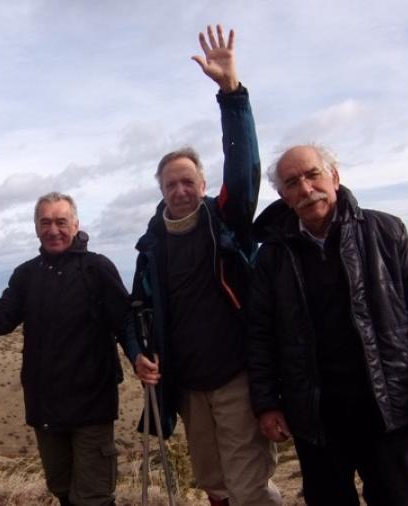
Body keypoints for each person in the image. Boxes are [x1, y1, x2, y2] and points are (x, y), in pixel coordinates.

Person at [248, 144, 408, 505]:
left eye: (312, 175)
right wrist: (267, 403)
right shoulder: (272, 256)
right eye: (292, 183)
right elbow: (260, 334)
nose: (306, 188)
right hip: (315, 417)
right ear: (283, 196)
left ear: (334, 177)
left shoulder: (385, 232)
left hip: (384, 407)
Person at [121, 26, 282, 506]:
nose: (180, 190)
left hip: (236, 376)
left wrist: (231, 95)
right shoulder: (151, 247)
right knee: (214, 483)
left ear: (203, 184)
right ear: (161, 191)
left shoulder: (225, 222)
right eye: (171, 184)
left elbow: (245, 171)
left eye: (188, 181)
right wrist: (138, 354)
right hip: (188, 385)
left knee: (249, 486)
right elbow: (137, 309)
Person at [0, 192, 130, 506]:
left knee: (94, 497)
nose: (53, 230)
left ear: (75, 225)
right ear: (36, 228)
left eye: (61, 222)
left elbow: (125, 322)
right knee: (62, 490)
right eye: (45, 223)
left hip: (92, 406)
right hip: (45, 406)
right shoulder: (26, 274)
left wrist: (141, 358)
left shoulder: (97, 268)